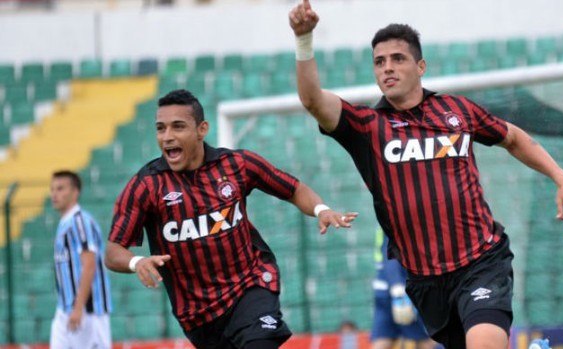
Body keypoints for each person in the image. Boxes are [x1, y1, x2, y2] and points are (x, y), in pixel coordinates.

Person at [288, 1, 563, 348]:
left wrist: (561, 178)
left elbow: (513, 138)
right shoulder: (367, 127)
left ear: (421, 66)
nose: (388, 68)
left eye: (398, 58)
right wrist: (304, 40)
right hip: (425, 282)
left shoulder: (457, 110)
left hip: (481, 260)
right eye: (379, 62)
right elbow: (313, 101)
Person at [104, 89, 358, 349]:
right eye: (161, 128)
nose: (167, 137)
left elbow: (293, 189)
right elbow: (112, 251)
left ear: (202, 129)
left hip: (250, 287)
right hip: (198, 317)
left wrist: (321, 209)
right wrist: (137, 262)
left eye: (178, 127)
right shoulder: (147, 185)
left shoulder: (237, 164)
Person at [49, 170, 112, 349]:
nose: (54, 194)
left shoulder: (80, 222)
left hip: (88, 311)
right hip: (64, 309)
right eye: (52, 189)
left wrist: (78, 308)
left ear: (75, 192)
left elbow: (89, 265)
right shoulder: (64, 224)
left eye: (60, 188)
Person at [372, 229, 435, 349]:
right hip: (403, 290)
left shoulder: (384, 217)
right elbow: (390, 253)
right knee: (426, 341)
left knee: (382, 341)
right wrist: (398, 287)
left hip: (383, 288)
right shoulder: (398, 218)